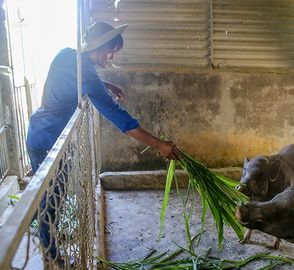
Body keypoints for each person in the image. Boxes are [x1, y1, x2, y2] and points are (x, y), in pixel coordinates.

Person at [26, 21, 181, 266]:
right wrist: (158, 144)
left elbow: (76, 80)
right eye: (111, 51)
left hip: (42, 133)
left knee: (55, 195)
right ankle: (51, 254)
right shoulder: (85, 72)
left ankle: (48, 234)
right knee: (50, 198)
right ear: (97, 46)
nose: (111, 58)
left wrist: (106, 85)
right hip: (48, 139)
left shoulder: (68, 56)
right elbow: (119, 117)